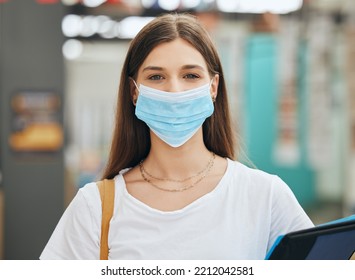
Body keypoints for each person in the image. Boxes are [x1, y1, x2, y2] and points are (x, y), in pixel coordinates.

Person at [40, 13, 313, 260]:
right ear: (134, 92)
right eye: (156, 77)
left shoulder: (264, 196)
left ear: (213, 87)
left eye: (191, 75)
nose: (174, 91)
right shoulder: (95, 207)